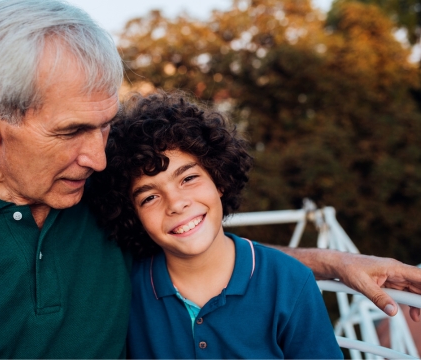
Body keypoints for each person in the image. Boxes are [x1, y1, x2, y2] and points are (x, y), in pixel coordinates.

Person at [0, 0, 420, 358]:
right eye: (71, 131)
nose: (97, 157)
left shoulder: (103, 202)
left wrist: (336, 263)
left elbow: (199, 253)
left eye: (106, 125)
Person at [88, 91, 344, 358]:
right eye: (150, 197)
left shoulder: (289, 281)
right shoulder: (127, 289)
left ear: (219, 179)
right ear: (133, 215)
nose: (176, 203)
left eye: (188, 179)